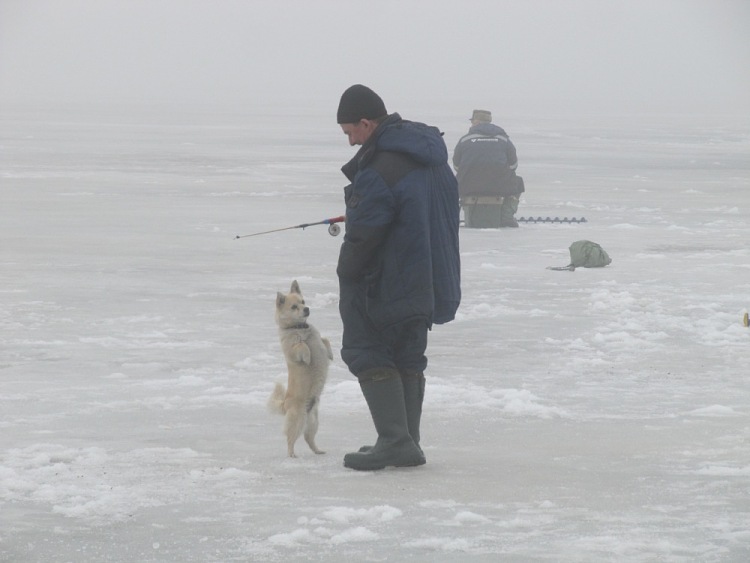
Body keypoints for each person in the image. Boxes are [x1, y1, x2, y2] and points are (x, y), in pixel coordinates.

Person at [335, 84, 461, 471]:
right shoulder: (434, 160)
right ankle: (407, 441)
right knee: (408, 355)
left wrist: (348, 272)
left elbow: (367, 234)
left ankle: (394, 440)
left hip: (386, 281)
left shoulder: (378, 169)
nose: (350, 142)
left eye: (350, 132)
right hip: (431, 276)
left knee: (368, 351)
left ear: (366, 123)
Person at [452, 109, 524, 228]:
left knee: (452, 183)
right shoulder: (504, 140)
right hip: (500, 185)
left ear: (476, 122)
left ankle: (453, 215)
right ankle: (507, 217)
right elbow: (513, 165)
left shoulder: (464, 140)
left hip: (468, 185)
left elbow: (456, 165)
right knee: (518, 182)